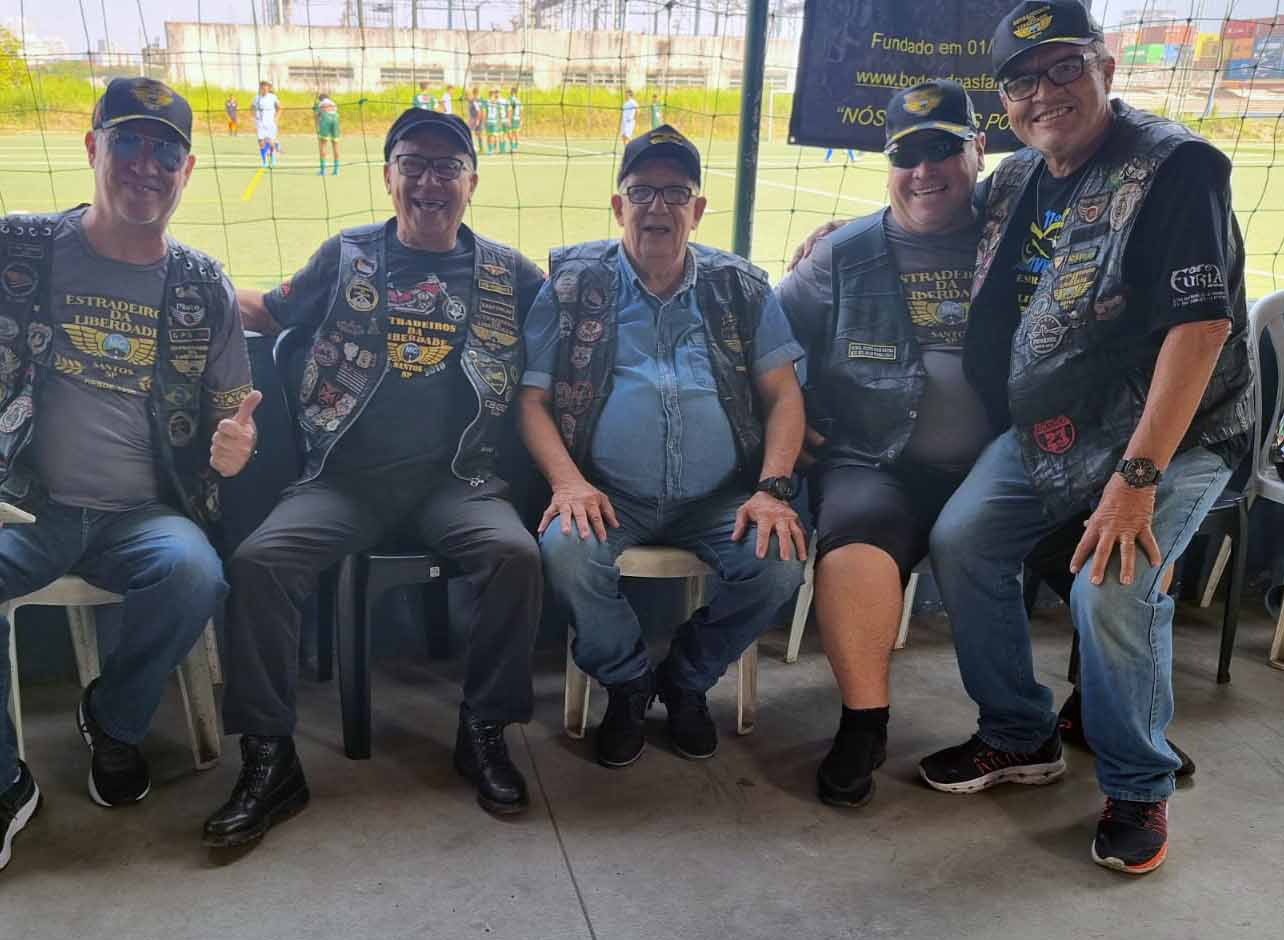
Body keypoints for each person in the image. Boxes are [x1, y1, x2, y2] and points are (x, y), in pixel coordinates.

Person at [0, 77, 255, 881]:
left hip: (146, 512)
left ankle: (113, 721)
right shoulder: (19, 247)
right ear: (93, 148)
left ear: (188, 170)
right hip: (21, 505)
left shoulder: (203, 285)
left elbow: (234, 407)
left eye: (166, 152)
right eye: (129, 142)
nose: (147, 165)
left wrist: (236, 444)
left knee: (195, 572)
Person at [920, 0, 1251, 876]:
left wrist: (1136, 479)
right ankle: (1019, 731)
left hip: (1173, 433)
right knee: (963, 540)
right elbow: (940, 217)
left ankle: (1139, 781)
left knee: (1113, 586)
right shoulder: (1020, 176)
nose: (1044, 93)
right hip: (1057, 428)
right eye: (1021, 81)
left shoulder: (1175, 167)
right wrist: (831, 238)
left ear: (1105, 67)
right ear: (1004, 103)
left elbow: (1202, 329)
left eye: (1064, 67)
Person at [203, 109, 547, 848]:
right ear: (389, 176)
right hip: (345, 480)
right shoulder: (347, 255)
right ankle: (269, 758)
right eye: (412, 164)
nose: (429, 181)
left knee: (516, 555)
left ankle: (484, 730)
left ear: (472, 182)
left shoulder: (508, 272)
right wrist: (186, 281)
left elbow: (577, 308)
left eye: (447, 167)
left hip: (458, 482)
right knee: (259, 561)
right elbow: (271, 311)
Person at [519, 126, 807, 769]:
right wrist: (568, 483)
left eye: (676, 193)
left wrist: (771, 488)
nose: (658, 206)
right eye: (641, 191)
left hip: (719, 496)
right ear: (617, 205)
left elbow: (784, 395)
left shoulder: (740, 286)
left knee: (779, 561)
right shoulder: (571, 284)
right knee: (566, 554)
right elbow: (531, 401)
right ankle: (627, 683)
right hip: (607, 492)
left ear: (697, 210)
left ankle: (686, 679)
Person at [777, 80, 993, 808]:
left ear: (979, 151)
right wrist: (786, 421)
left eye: (942, 150)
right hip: (873, 457)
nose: (924, 170)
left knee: (1096, 536)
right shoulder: (841, 254)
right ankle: (863, 725)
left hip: (999, 461)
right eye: (906, 155)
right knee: (856, 539)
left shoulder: (1018, 239)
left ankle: (1102, 714)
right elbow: (763, 346)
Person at [252, 80, 281, 167]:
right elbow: (252, 107)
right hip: (260, 124)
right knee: (261, 142)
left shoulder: (273, 97)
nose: (264, 89)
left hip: (270, 123)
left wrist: (276, 118)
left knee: (271, 142)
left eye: (265, 87)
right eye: (262, 87)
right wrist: (255, 117)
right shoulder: (256, 98)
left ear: (268, 88)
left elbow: (279, 108)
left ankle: (273, 158)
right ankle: (264, 161)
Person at [315, 91, 340, 175]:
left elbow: (317, 116)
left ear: (320, 99)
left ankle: (323, 170)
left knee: (323, 144)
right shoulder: (333, 103)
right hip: (335, 119)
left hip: (326, 119)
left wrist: (318, 128)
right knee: (335, 144)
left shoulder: (320, 104)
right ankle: (336, 170)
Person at [466, 85, 485, 153]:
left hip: (475, 119)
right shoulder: (474, 100)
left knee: (473, 133)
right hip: (476, 118)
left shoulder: (475, 101)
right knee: (476, 133)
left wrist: (477, 120)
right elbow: (467, 98)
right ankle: (479, 147)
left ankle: (478, 147)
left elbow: (479, 111)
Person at [506, 85, 522, 152]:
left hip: (513, 118)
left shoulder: (510, 100)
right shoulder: (518, 100)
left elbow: (510, 110)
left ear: (512, 92)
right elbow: (521, 111)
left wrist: (509, 119)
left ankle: (513, 147)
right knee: (516, 133)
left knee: (510, 133)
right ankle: (515, 147)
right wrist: (521, 119)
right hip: (517, 118)